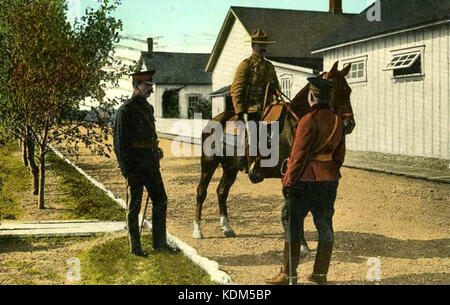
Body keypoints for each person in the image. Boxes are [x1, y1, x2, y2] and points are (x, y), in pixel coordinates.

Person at [266, 76, 345, 285]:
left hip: (304, 180)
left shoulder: (308, 120)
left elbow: (298, 155)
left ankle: (288, 275)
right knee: (324, 224)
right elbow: (339, 156)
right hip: (329, 180)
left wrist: (287, 181)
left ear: (311, 96)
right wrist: (327, 171)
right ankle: (320, 275)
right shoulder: (338, 121)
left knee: (291, 221)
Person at [113, 70, 178, 257]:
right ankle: (135, 247)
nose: (150, 90)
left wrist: (155, 149)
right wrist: (126, 170)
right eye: (147, 87)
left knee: (161, 200)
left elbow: (151, 135)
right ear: (137, 87)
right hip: (135, 166)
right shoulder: (125, 111)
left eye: (151, 87)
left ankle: (160, 243)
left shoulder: (148, 109)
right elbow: (120, 144)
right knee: (134, 206)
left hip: (150, 164)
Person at [230, 28, 281, 172]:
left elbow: (275, 85)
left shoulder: (269, 66)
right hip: (249, 108)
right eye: (260, 45)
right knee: (252, 133)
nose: (263, 48)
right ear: (253, 46)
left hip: (267, 107)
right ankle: (251, 164)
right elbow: (236, 89)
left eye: (265, 45)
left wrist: (277, 92)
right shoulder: (245, 65)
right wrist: (239, 111)